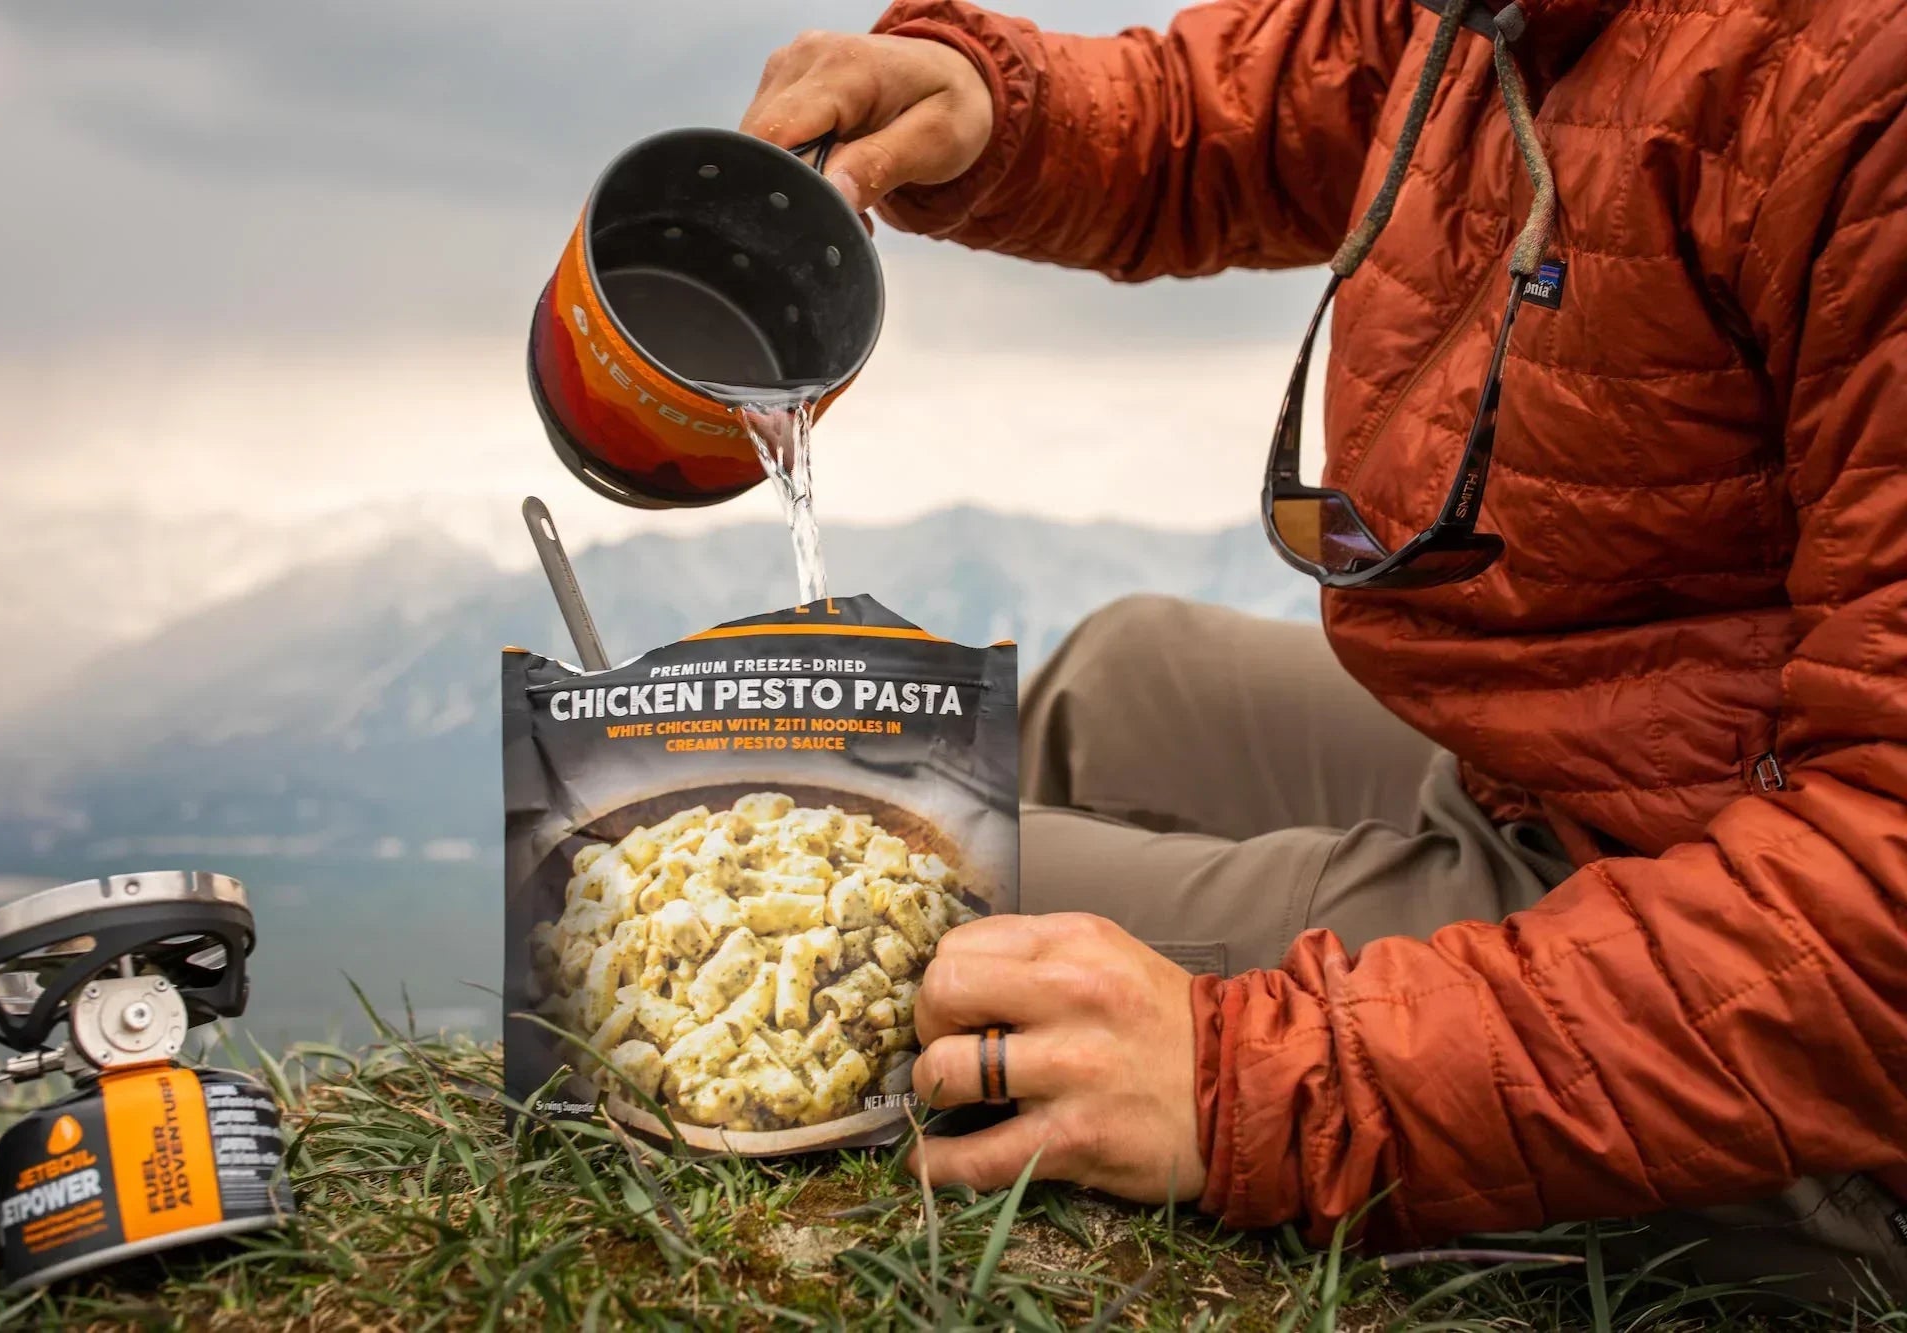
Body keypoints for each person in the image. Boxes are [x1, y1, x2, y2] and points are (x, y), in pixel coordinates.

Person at [741, 0, 1907, 1306]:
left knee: (838, 920)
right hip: (1594, 776)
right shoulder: (1518, 20)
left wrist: (1249, 1076)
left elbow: (1880, 932)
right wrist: (985, 101)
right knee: (1123, 677)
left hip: (1779, 1039)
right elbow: (1283, 89)